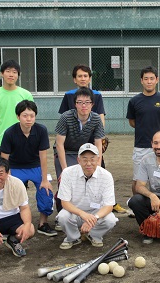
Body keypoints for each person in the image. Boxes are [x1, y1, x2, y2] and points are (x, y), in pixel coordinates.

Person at [58, 64, 126, 214]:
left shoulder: (97, 95)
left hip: (90, 145)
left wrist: (99, 136)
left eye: (85, 76)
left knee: (99, 174)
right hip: (71, 146)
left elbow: (100, 118)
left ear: (89, 78)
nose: (83, 78)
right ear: (74, 79)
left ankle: (107, 205)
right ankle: (64, 211)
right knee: (66, 177)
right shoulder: (69, 96)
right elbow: (63, 124)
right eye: (79, 76)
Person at [0, 100, 56, 237]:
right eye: (25, 115)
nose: (29, 119)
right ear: (18, 116)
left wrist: (44, 179)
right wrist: (7, 178)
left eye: (32, 115)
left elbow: (43, 157)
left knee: (46, 191)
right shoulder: (9, 133)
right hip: (15, 167)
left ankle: (43, 223)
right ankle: (15, 222)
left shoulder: (41, 130)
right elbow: (4, 159)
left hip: (35, 166)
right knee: (12, 191)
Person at [56, 143, 118, 249]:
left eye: (92, 159)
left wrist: (94, 218)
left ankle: (94, 235)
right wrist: (83, 214)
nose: (88, 163)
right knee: (62, 217)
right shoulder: (67, 173)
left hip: (96, 213)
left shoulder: (106, 176)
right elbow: (64, 202)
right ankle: (73, 237)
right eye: (84, 159)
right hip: (75, 212)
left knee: (111, 220)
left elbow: (109, 206)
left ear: (98, 159)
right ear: (78, 160)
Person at [54, 87, 105, 214]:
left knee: (90, 180)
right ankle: (62, 213)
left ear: (92, 104)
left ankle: (87, 212)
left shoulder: (96, 119)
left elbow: (98, 144)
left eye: (87, 102)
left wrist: (97, 165)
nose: (83, 105)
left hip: (85, 152)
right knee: (65, 181)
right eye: (80, 102)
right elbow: (59, 144)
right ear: (75, 104)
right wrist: (64, 169)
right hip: (66, 152)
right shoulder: (66, 117)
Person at [126, 66, 160, 195]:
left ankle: (159, 207)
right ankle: (136, 206)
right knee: (138, 179)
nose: (149, 81)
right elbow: (132, 122)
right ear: (141, 81)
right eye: (146, 79)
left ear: (157, 80)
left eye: (152, 78)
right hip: (141, 146)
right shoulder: (134, 101)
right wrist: (144, 127)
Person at [0, 59, 34, 157]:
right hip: (0, 141)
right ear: (2, 73)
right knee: (1, 171)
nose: (11, 75)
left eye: (14, 72)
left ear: (18, 75)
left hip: (22, 140)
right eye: (8, 71)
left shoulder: (26, 95)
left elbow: (31, 118)